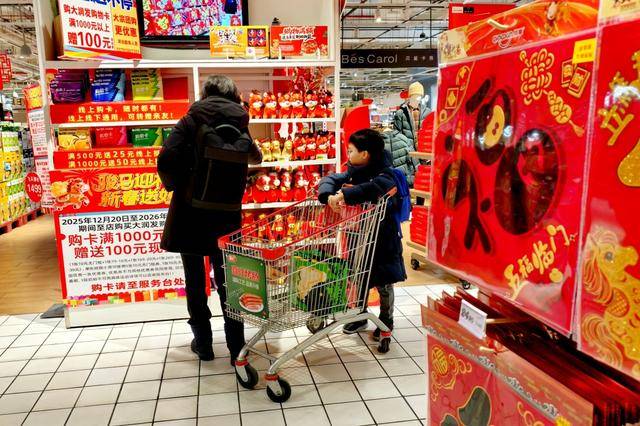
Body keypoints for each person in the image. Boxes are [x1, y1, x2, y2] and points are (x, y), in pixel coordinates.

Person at [157, 75, 262, 363]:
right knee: (230, 281)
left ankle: (203, 344)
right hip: (227, 214)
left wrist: (179, 183)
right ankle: (236, 346)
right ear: (233, 94)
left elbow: (166, 159)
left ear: (205, 94)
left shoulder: (191, 119)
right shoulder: (240, 120)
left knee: (195, 280)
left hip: (191, 211)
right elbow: (256, 158)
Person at [318, 129, 407, 338]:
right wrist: (328, 195)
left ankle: (386, 320)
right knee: (358, 277)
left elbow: (372, 188)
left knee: (383, 281)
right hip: (357, 235)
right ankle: (359, 316)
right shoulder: (352, 172)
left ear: (365, 154)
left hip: (383, 238)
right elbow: (330, 179)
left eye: (350, 151)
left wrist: (343, 194)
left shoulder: (386, 175)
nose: (348, 155)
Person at [383, 81, 430, 187]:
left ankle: (420, 196)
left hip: (423, 151)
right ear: (410, 96)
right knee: (410, 179)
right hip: (408, 150)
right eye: (414, 95)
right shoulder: (400, 113)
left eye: (419, 96)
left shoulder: (427, 112)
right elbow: (397, 134)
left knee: (423, 179)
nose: (417, 98)